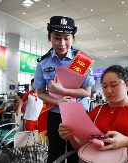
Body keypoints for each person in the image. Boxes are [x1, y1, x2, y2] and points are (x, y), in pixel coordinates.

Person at [59, 65, 128, 163]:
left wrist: (126, 142)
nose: (108, 91)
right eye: (104, 87)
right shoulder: (97, 111)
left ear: (127, 85)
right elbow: (83, 146)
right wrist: (71, 136)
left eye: (114, 86)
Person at [33, 16, 95, 163]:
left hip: (78, 114)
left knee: (78, 152)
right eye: (57, 37)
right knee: (55, 152)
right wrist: (58, 101)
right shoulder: (43, 63)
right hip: (55, 114)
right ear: (49, 37)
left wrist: (61, 90)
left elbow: (87, 92)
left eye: (67, 38)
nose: (62, 43)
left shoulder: (83, 61)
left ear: (73, 38)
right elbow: (40, 93)